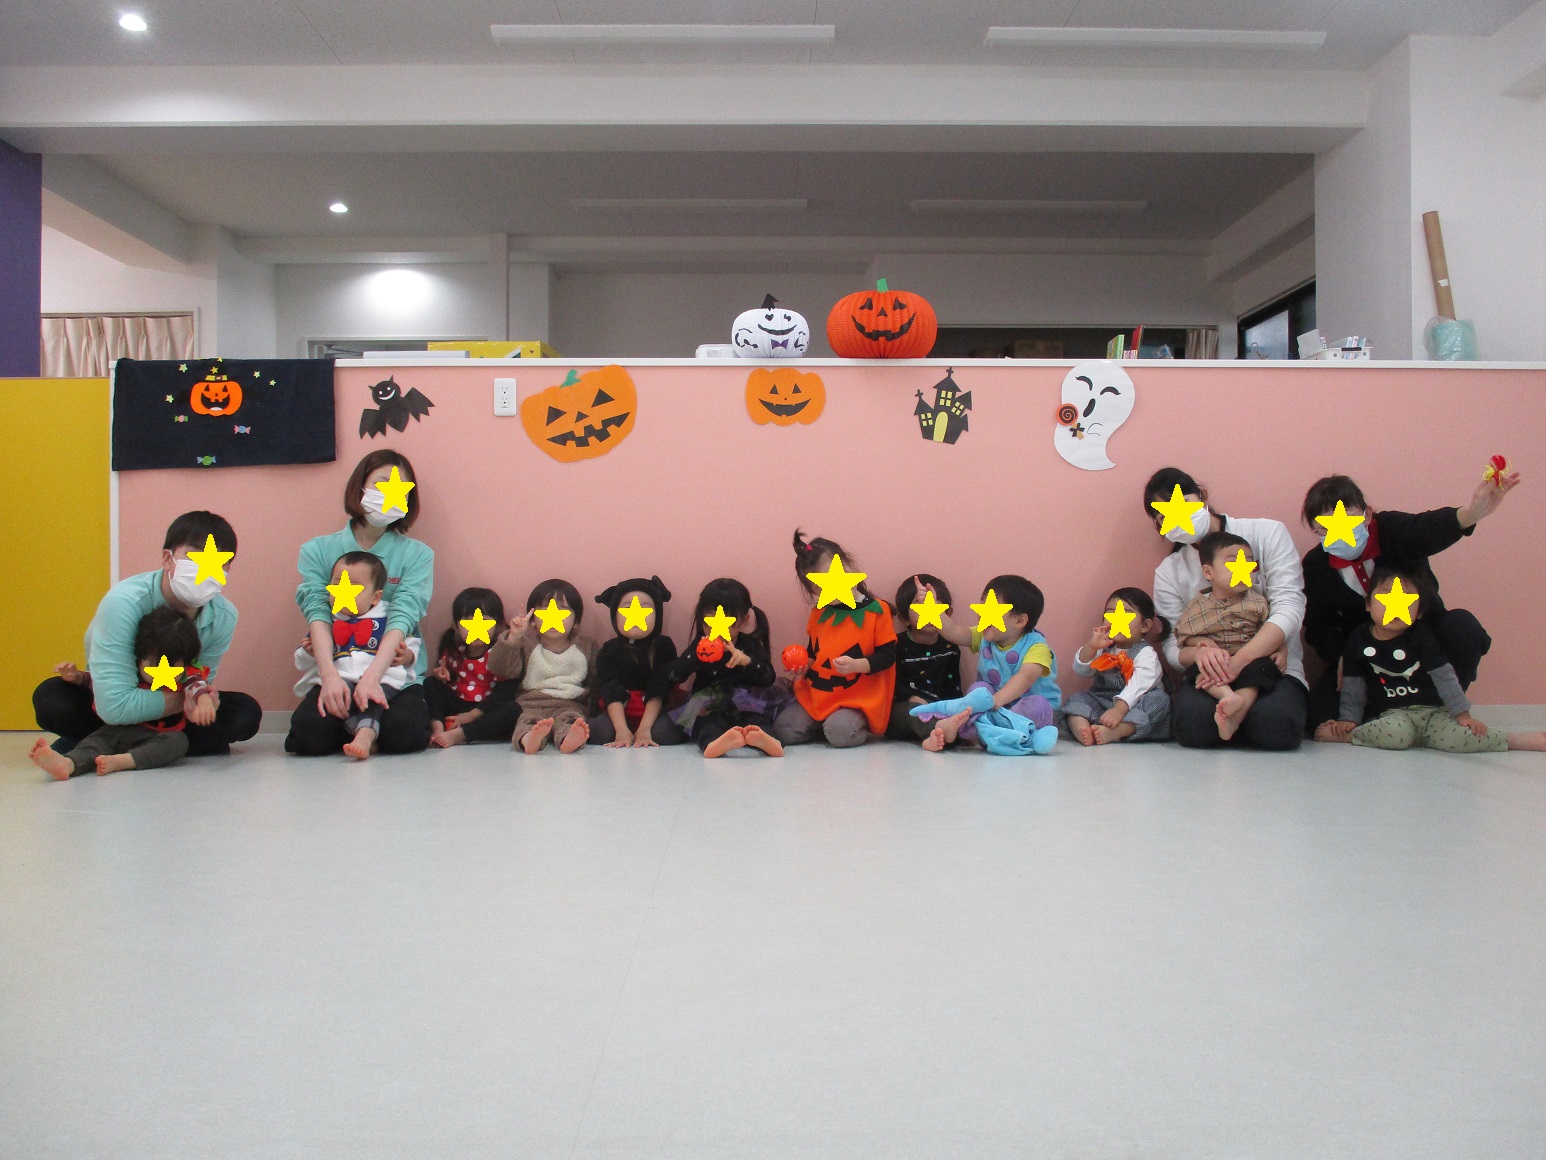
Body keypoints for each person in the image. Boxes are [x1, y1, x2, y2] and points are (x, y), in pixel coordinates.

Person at [1299, 468, 1520, 738]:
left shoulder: (1392, 530)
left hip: (1422, 643)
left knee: (1463, 627)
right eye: (1325, 527)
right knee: (1318, 717)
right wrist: (1343, 655)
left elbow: (1426, 528)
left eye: (1345, 518)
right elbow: (1318, 625)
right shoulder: (1316, 564)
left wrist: (1471, 513)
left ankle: (1438, 711)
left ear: (1367, 514)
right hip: (1366, 653)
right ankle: (1386, 716)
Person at [33, 510, 260, 757]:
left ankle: (102, 742)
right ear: (167, 559)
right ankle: (158, 745)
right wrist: (191, 699)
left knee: (245, 713)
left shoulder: (224, 616)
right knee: (52, 700)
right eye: (195, 557)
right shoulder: (123, 603)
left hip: (166, 707)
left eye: (220, 562)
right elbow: (113, 705)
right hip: (116, 701)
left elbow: (199, 678)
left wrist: (202, 698)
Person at [1145, 467, 1307, 749]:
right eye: (1164, 515)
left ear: (1203, 496)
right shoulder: (1170, 571)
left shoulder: (1266, 533)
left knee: (1275, 725)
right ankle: (1233, 714)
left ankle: (1244, 715)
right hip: (1211, 675)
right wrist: (1198, 653)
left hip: (1271, 665)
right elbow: (1173, 642)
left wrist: (1242, 660)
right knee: (1194, 727)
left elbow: (1289, 605)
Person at [287, 450, 433, 757]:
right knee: (308, 736)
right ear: (360, 486)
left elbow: (404, 615)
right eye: (382, 482)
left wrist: (373, 677)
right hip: (339, 667)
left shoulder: (418, 554)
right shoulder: (317, 550)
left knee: (404, 734)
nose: (390, 492)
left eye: (400, 487)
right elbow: (317, 612)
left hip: (392, 674)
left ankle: (366, 727)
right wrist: (329, 676)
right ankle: (357, 726)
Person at [1321, 565, 1546, 754]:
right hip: (1393, 715)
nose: (1394, 605)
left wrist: (1462, 714)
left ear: (1419, 611)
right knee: (1395, 734)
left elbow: (1444, 676)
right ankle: (1351, 735)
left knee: (1463, 738)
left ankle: (1516, 740)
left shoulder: (1421, 636)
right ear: (1369, 604)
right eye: (1385, 596)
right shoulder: (1359, 638)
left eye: (1407, 599)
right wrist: (1348, 719)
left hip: (1434, 713)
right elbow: (1353, 684)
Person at [30, 607, 205, 779]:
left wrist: (204, 700)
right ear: (139, 659)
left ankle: (123, 761)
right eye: (153, 665)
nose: (161, 672)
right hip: (122, 729)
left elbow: (198, 687)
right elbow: (101, 684)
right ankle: (68, 764)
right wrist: (78, 677)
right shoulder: (129, 674)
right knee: (98, 740)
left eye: (172, 666)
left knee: (179, 742)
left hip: (162, 735)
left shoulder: (187, 677)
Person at [909, 574, 1060, 756]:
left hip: (1025, 710)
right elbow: (954, 632)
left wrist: (996, 701)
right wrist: (933, 609)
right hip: (994, 707)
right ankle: (959, 727)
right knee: (979, 689)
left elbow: (1025, 678)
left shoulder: (1037, 647)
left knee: (1038, 704)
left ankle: (986, 730)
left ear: (1020, 621)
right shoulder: (985, 636)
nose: (982, 614)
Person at [773, 530, 897, 748]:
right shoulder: (820, 612)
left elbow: (887, 657)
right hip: (819, 694)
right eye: (820, 586)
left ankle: (837, 725)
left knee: (840, 733)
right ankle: (823, 725)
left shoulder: (877, 610)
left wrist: (857, 665)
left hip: (856, 697)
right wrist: (804, 665)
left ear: (848, 566)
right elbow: (814, 652)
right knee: (784, 728)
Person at [291, 552, 420, 760]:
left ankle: (366, 735)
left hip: (381, 679)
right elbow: (301, 660)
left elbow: (411, 643)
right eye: (337, 585)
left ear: (375, 597)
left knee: (376, 698)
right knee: (335, 704)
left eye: (354, 588)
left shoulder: (386, 617)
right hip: (341, 680)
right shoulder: (327, 621)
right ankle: (359, 733)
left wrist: (407, 656)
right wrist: (309, 653)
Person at [1173, 532, 1284, 741]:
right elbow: (1184, 637)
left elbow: (1272, 631)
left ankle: (1236, 714)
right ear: (1208, 572)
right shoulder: (1197, 606)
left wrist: (1282, 651)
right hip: (1217, 664)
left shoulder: (1257, 602)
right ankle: (1227, 696)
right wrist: (1200, 644)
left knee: (1262, 668)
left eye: (1248, 562)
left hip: (1249, 661)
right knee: (1197, 668)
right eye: (1234, 562)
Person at [666, 578, 783, 758]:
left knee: (757, 722)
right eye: (709, 622)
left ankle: (770, 742)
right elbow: (674, 675)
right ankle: (714, 744)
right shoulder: (700, 644)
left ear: (744, 619)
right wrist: (695, 655)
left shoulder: (749, 644)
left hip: (747, 704)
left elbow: (768, 678)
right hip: (709, 706)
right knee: (708, 725)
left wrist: (748, 662)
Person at [489, 579, 599, 755]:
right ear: (533, 619)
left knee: (572, 721)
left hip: (571, 704)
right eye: (545, 610)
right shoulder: (526, 645)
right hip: (531, 705)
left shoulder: (586, 646)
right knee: (527, 722)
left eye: (562, 610)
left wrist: (593, 709)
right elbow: (500, 668)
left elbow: (596, 680)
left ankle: (569, 739)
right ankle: (529, 739)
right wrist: (513, 637)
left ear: (576, 622)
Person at [587, 576, 689, 748]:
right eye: (627, 607)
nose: (635, 613)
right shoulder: (609, 649)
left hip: (655, 712)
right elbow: (610, 690)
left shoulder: (663, 646)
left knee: (663, 734)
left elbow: (659, 687)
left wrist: (645, 728)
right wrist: (621, 729)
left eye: (645, 607)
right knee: (600, 732)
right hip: (621, 711)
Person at [1062, 586, 1170, 745]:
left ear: (1145, 626)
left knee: (1159, 700)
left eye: (1126, 613)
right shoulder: (1104, 647)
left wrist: (1119, 709)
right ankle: (1082, 729)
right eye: (1111, 613)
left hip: (1134, 706)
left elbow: (1138, 685)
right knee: (1077, 699)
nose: (1116, 619)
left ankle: (1118, 731)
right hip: (1103, 701)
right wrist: (1091, 647)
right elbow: (1082, 670)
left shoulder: (1145, 654)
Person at [426, 586, 520, 748]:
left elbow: (504, 692)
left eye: (485, 621)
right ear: (455, 626)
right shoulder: (454, 651)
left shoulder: (499, 653)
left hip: (486, 709)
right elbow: (445, 681)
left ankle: (462, 734)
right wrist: (441, 676)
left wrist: (472, 715)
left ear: (497, 625)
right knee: (430, 683)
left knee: (513, 709)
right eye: (468, 622)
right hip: (458, 706)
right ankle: (437, 728)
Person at [885, 574, 964, 744]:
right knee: (915, 712)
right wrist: (911, 698)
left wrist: (959, 710)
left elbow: (953, 685)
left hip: (939, 707)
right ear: (904, 618)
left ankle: (947, 731)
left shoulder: (950, 647)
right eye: (920, 605)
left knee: (965, 714)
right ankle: (938, 731)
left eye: (936, 605)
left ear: (947, 614)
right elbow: (891, 682)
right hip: (905, 708)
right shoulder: (897, 645)